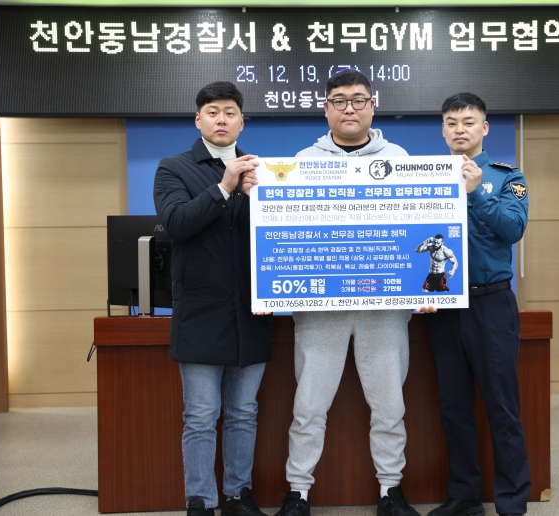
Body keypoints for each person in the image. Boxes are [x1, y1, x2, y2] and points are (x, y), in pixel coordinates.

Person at [274, 69, 419, 516]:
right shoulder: (301, 163)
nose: (349, 108)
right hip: (321, 309)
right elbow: (284, 233)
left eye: (358, 99)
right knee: (308, 406)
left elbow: (417, 227)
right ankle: (298, 492)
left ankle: (390, 491)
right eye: (339, 100)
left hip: (384, 308)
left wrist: (425, 288)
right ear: (326, 109)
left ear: (372, 106)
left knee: (390, 406)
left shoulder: (399, 159)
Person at [153, 81, 272, 516]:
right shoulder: (174, 168)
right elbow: (178, 223)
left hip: (251, 313)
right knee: (201, 416)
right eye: (212, 112)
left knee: (243, 413)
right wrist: (224, 186)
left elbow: (283, 236)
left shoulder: (263, 170)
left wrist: (263, 198)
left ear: (242, 121)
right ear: (198, 120)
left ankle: (239, 495)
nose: (221, 119)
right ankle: (201, 501)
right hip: (201, 315)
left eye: (230, 112)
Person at [419, 93, 531, 516]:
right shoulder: (427, 178)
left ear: (484, 128)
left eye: (468, 121)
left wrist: (476, 194)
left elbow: (513, 229)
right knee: (454, 407)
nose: (459, 129)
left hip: (491, 305)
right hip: (444, 308)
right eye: (451, 122)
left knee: (502, 407)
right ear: (443, 130)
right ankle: (465, 497)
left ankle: (512, 502)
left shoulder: (505, 177)